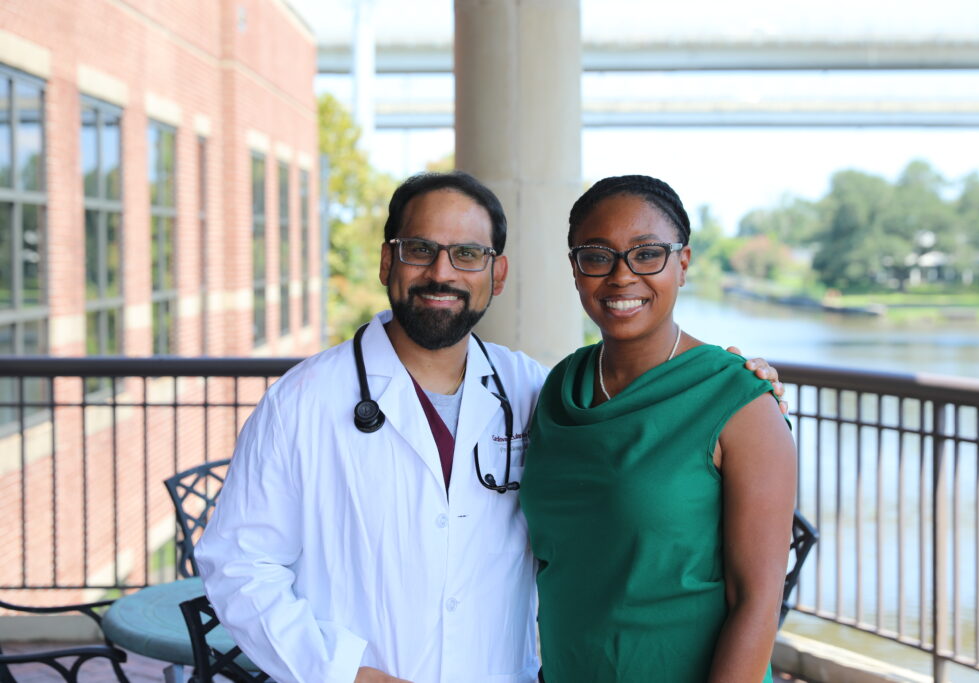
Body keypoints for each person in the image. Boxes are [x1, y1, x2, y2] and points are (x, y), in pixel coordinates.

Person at [196, 171, 784, 683]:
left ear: (496, 274)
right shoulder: (303, 402)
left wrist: (738, 382)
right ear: (385, 262)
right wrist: (343, 673)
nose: (442, 272)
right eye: (419, 249)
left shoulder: (530, 389)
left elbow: (649, 435)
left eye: (468, 255)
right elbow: (239, 566)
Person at [520, 175, 797, 683]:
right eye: (597, 256)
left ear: (683, 264)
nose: (622, 276)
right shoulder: (561, 386)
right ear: (576, 270)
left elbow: (757, 602)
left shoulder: (738, 401)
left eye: (647, 254)